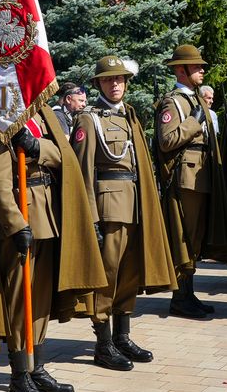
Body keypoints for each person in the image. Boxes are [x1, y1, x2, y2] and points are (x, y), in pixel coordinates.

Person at [0, 100, 105, 392]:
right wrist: (15, 224)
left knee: (40, 296)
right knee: (20, 299)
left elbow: (64, 155)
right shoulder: (0, 117)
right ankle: (19, 375)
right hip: (21, 214)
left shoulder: (42, 114)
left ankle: (36, 366)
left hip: (47, 213)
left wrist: (36, 147)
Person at [72, 55, 175, 370]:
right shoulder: (89, 120)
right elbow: (82, 172)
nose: (115, 84)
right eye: (108, 80)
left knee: (129, 273)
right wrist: (90, 218)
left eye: (119, 79)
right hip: (109, 206)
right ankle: (103, 343)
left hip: (134, 202)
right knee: (109, 274)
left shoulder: (129, 114)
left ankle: (122, 336)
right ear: (99, 84)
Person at [156, 45, 227, 319]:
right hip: (186, 178)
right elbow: (166, 141)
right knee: (184, 237)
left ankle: (187, 293)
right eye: (196, 66)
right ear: (181, 70)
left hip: (202, 174)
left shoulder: (195, 100)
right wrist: (192, 123)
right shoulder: (173, 102)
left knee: (195, 238)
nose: (202, 70)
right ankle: (180, 297)